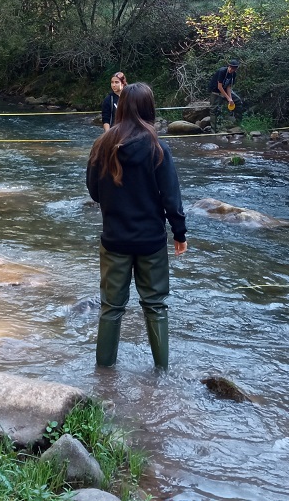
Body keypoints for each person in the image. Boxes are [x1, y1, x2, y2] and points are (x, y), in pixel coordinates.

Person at [86, 82, 187, 371]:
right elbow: (171, 198)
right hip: (151, 241)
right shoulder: (158, 148)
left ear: (120, 108)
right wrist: (179, 234)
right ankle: (162, 373)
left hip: (114, 239)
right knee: (156, 306)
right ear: (148, 108)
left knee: (111, 308)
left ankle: (103, 375)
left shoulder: (102, 145)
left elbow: (94, 192)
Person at [208, 59, 243, 131]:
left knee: (237, 101)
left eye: (233, 69)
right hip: (215, 91)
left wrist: (230, 99)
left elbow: (229, 87)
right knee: (213, 109)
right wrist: (228, 98)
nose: (231, 70)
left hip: (225, 89)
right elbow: (219, 87)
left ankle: (237, 124)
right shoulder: (222, 71)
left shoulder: (233, 74)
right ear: (229, 66)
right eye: (231, 68)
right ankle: (213, 130)